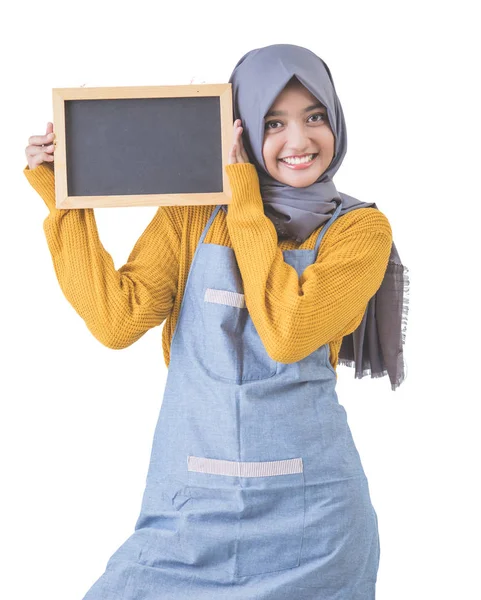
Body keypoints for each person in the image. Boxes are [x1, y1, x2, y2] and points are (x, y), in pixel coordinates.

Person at [24, 43, 406, 599]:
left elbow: (289, 332)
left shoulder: (360, 232)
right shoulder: (193, 213)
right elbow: (116, 318)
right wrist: (61, 201)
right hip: (189, 515)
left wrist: (242, 196)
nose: (299, 141)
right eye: (273, 122)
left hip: (314, 526)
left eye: (314, 117)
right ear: (241, 127)